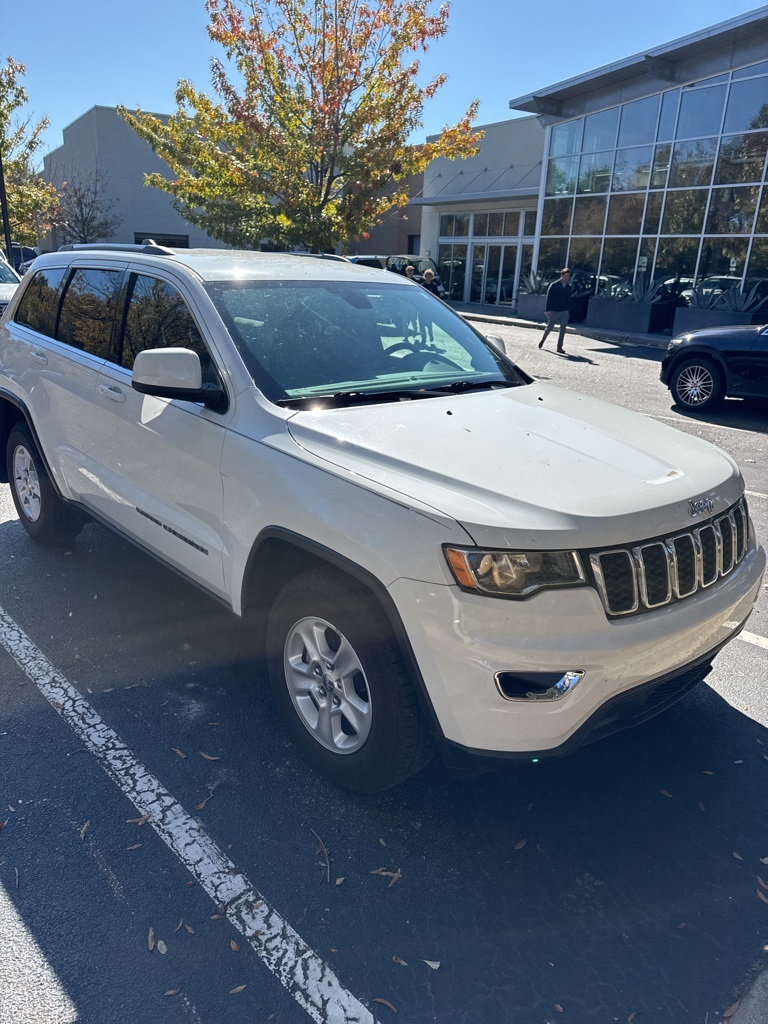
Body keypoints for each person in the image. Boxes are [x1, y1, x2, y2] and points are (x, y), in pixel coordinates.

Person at [538, 268, 572, 354]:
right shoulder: (554, 285)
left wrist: (568, 309)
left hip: (564, 311)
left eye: (568, 276)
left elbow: (568, 299)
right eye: (565, 276)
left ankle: (559, 347)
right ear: (561, 276)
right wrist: (547, 310)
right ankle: (543, 340)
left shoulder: (569, 287)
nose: (566, 278)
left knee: (563, 329)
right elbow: (549, 298)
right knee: (549, 327)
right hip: (554, 310)